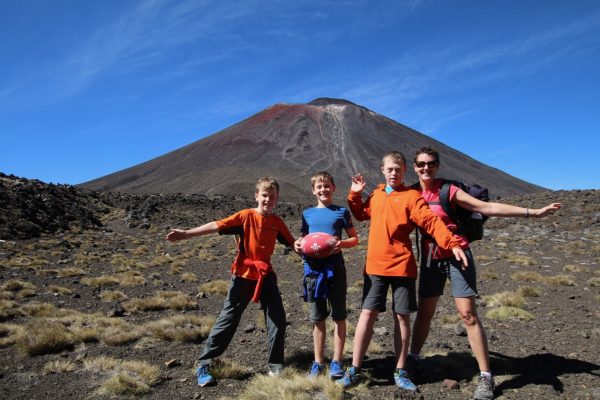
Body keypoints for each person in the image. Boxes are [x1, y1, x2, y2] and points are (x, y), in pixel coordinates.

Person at [408, 146, 562, 400]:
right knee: (425, 312)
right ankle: (413, 359)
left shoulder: (448, 190)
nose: (426, 168)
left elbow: (486, 207)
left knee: (467, 314)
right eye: (421, 164)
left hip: (459, 255)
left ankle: (485, 376)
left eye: (431, 163)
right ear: (415, 166)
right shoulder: (411, 193)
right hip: (430, 258)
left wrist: (533, 213)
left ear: (437, 165)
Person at [337, 151, 469, 393]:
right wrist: (355, 193)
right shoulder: (376, 194)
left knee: (402, 317)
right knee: (367, 314)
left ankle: (400, 370)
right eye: (390, 169)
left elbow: (430, 222)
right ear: (382, 170)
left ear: (404, 170)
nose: (394, 173)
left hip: (402, 266)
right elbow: (360, 214)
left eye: (398, 169)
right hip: (375, 266)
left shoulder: (411, 196)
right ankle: (354, 368)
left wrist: (451, 243)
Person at [165, 177, 296, 387]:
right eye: (264, 195)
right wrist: (186, 234)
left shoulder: (277, 222)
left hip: (265, 275)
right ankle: (204, 363)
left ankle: (276, 365)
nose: (268, 200)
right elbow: (217, 226)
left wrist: (320, 247)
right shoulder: (245, 216)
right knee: (228, 320)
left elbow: (294, 243)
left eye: (272, 197)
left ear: (277, 198)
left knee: (277, 319)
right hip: (244, 275)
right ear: (256, 196)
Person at [293, 171, 359, 379]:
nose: (323, 190)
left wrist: (342, 244)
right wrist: (297, 245)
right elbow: (304, 239)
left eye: (327, 186)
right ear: (313, 190)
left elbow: (355, 239)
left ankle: (337, 362)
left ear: (333, 188)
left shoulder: (341, 212)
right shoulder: (307, 214)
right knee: (317, 318)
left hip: (335, 269)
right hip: (312, 270)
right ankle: (318, 362)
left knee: (339, 317)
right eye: (319, 187)